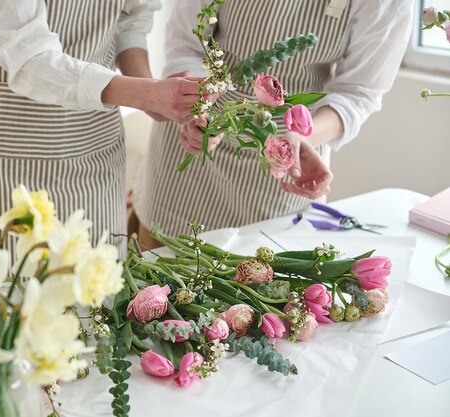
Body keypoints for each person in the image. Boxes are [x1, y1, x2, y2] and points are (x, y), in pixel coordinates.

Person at [0, 0, 215, 271]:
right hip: (7, 149)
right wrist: (146, 94)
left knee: (94, 299)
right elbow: (29, 58)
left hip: (94, 140)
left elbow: (129, 22)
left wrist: (159, 97)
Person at [132, 0, 415, 247]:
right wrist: (198, 107)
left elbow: (358, 91)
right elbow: (186, 44)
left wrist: (305, 138)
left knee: (257, 293)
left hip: (279, 174)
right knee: (157, 286)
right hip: (188, 153)